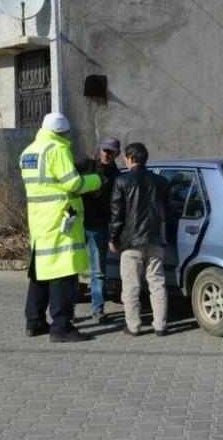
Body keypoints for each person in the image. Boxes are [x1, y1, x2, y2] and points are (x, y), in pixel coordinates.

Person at [20, 112, 103, 342]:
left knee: (40, 274)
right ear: (62, 132)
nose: (68, 137)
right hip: (60, 222)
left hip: (39, 222)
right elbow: (73, 183)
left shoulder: (29, 152)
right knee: (64, 275)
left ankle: (34, 322)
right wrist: (97, 180)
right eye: (66, 133)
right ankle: (61, 327)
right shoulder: (57, 149)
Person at [109, 143, 171, 337]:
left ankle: (134, 326)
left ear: (129, 158)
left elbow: (117, 214)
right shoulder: (161, 181)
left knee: (131, 286)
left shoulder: (122, 181)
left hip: (131, 242)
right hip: (156, 239)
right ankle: (160, 325)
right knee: (157, 283)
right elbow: (168, 210)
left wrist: (113, 238)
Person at [75, 137, 122, 324]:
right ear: (99, 150)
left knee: (98, 272)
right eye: (104, 150)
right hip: (77, 225)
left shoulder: (117, 176)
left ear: (117, 154)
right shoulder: (87, 165)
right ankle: (67, 310)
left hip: (98, 226)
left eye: (111, 151)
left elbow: (115, 205)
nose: (107, 154)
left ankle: (97, 310)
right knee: (72, 271)